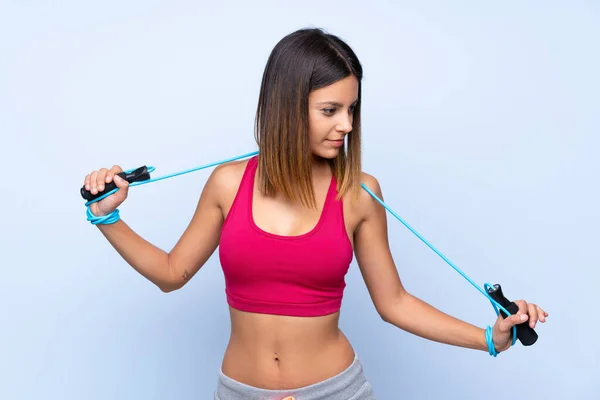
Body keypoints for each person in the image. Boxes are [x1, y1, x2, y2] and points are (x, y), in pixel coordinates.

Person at [82, 28, 548, 400]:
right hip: (240, 392)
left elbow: (395, 303)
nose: (346, 124)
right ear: (287, 106)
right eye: (330, 110)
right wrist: (109, 220)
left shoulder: (360, 193)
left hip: (335, 392)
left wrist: (490, 338)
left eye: (351, 109)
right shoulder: (227, 183)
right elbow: (170, 272)